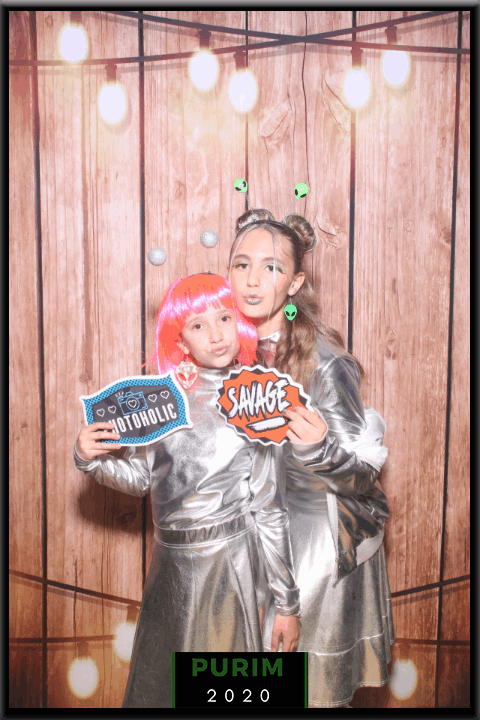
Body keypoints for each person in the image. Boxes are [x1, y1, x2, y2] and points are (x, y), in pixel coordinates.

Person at [74, 273, 300, 709]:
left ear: (241, 322)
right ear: (180, 339)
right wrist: (91, 460)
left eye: (224, 318)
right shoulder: (160, 400)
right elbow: (141, 479)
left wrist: (287, 605)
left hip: (230, 569)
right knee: (164, 691)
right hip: (170, 569)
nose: (216, 334)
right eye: (198, 325)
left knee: (227, 697)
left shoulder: (256, 401)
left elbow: (271, 511)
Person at [229, 209, 394, 708]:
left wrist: (320, 450)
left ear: (295, 282)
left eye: (272, 267)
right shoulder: (222, 351)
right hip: (250, 537)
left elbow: (363, 477)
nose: (253, 280)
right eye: (241, 264)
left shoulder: (326, 363)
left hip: (315, 546)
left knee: (302, 693)